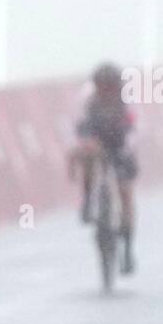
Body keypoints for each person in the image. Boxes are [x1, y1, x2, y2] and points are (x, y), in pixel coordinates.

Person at [68, 62, 138, 274]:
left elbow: (134, 132)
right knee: (88, 158)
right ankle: (89, 200)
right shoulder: (90, 103)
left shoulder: (126, 105)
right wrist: (85, 143)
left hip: (120, 149)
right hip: (98, 148)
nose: (106, 90)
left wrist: (128, 148)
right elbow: (82, 128)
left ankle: (126, 247)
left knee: (125, 193)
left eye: (110, 85)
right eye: (102, 85)